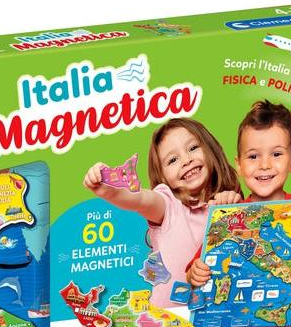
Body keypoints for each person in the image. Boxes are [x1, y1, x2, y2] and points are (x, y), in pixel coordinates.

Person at [83, 118, 242, 308]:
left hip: (212, 318)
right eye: (173, 160)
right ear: (163, 177)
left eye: (193, 148)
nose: (187, 160)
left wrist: (233, 207)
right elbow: (140, 199)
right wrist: (110, 190)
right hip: (170, 320)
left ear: (211, 150)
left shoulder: (229, 202)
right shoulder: (167, 204)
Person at [185, 100, 291, 287]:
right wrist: (194, 273)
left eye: (276, 154)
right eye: (253, 156)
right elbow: (194, 268)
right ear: (239, 165)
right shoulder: (230, 215)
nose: (264, 165)